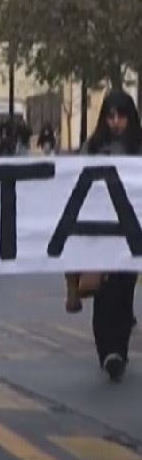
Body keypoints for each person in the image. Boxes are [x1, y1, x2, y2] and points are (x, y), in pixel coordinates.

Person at [84, 92, 141, 382]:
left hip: (130, 230)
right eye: (110, 116)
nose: (115, 122)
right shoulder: (93, 146)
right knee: (103, 291)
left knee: (123, 290)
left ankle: (118, 350)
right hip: (99, 228)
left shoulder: (138, 147)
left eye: (121, 116)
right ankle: (107, 351)